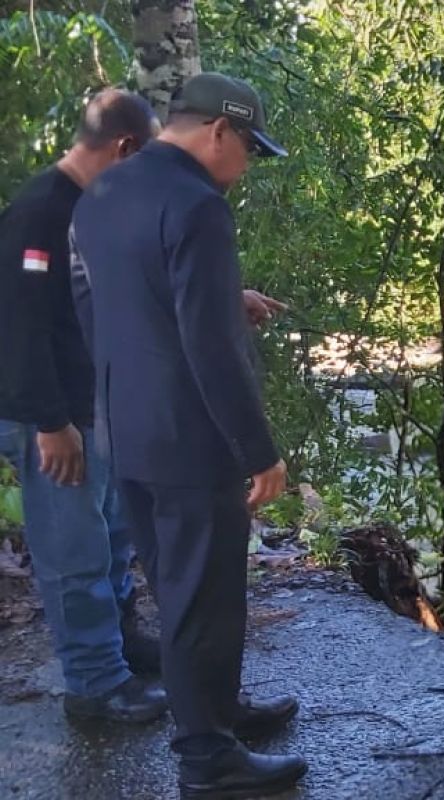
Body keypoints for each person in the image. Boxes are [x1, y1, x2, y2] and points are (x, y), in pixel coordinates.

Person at [71, 73, 306, 798]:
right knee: (204, 593)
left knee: (179, 586)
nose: (248, 169)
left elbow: (100, 303)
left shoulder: (106, 190)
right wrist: (257, 450)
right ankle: (208, 760)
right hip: (188, 435)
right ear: (219, 132)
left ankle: (219, 711)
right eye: (251, 152)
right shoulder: (199, 206)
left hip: (125, 426)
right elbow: (210, 346)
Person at [0, 90, 168, 723]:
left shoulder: (88, 208)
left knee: (112, 537)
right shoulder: (40, 212)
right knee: (73, 551)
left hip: (97, 407)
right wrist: (50, 423)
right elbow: (18, 327)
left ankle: (118, 647)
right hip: (52, 417)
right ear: (123, 148)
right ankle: (94, 685)